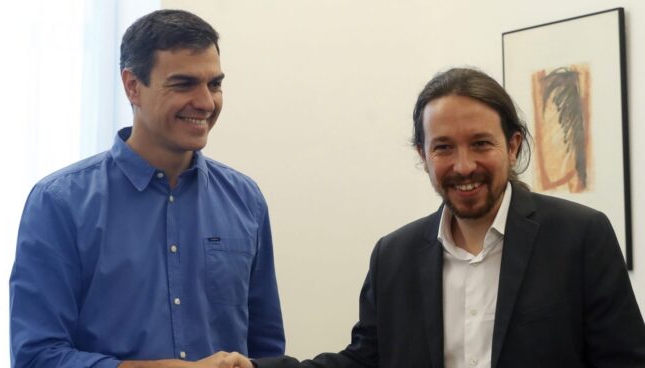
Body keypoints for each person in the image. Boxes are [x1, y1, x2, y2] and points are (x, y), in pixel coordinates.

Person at [214, 67, 645, 367]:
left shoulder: (579, 237)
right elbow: (365, 361)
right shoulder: (394, 255)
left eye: (480, 143)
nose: (462, 166)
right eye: (443, 147)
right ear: (422, 155)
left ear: (512, 146)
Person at [9, 9, 284, 368]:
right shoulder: (59, 203)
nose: (205, 102)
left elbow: (266, 353)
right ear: (132, 86)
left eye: (214, 83)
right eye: (184, 84)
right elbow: (36, 357)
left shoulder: (245, 200)